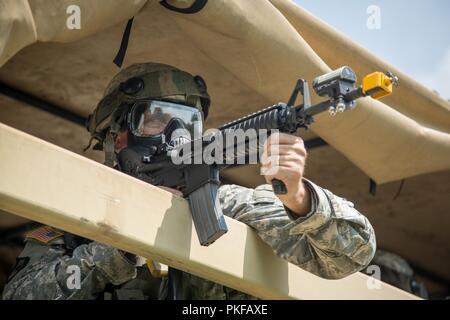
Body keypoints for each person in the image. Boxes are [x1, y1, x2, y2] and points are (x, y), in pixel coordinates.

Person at [3, 63, 376, 300]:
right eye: (157, 119)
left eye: (189, 122)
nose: (177, 134)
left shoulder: (226, 204)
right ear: (118, 136)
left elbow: (354, 253)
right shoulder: (75, 219)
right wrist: (122, 244)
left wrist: (298, 197)